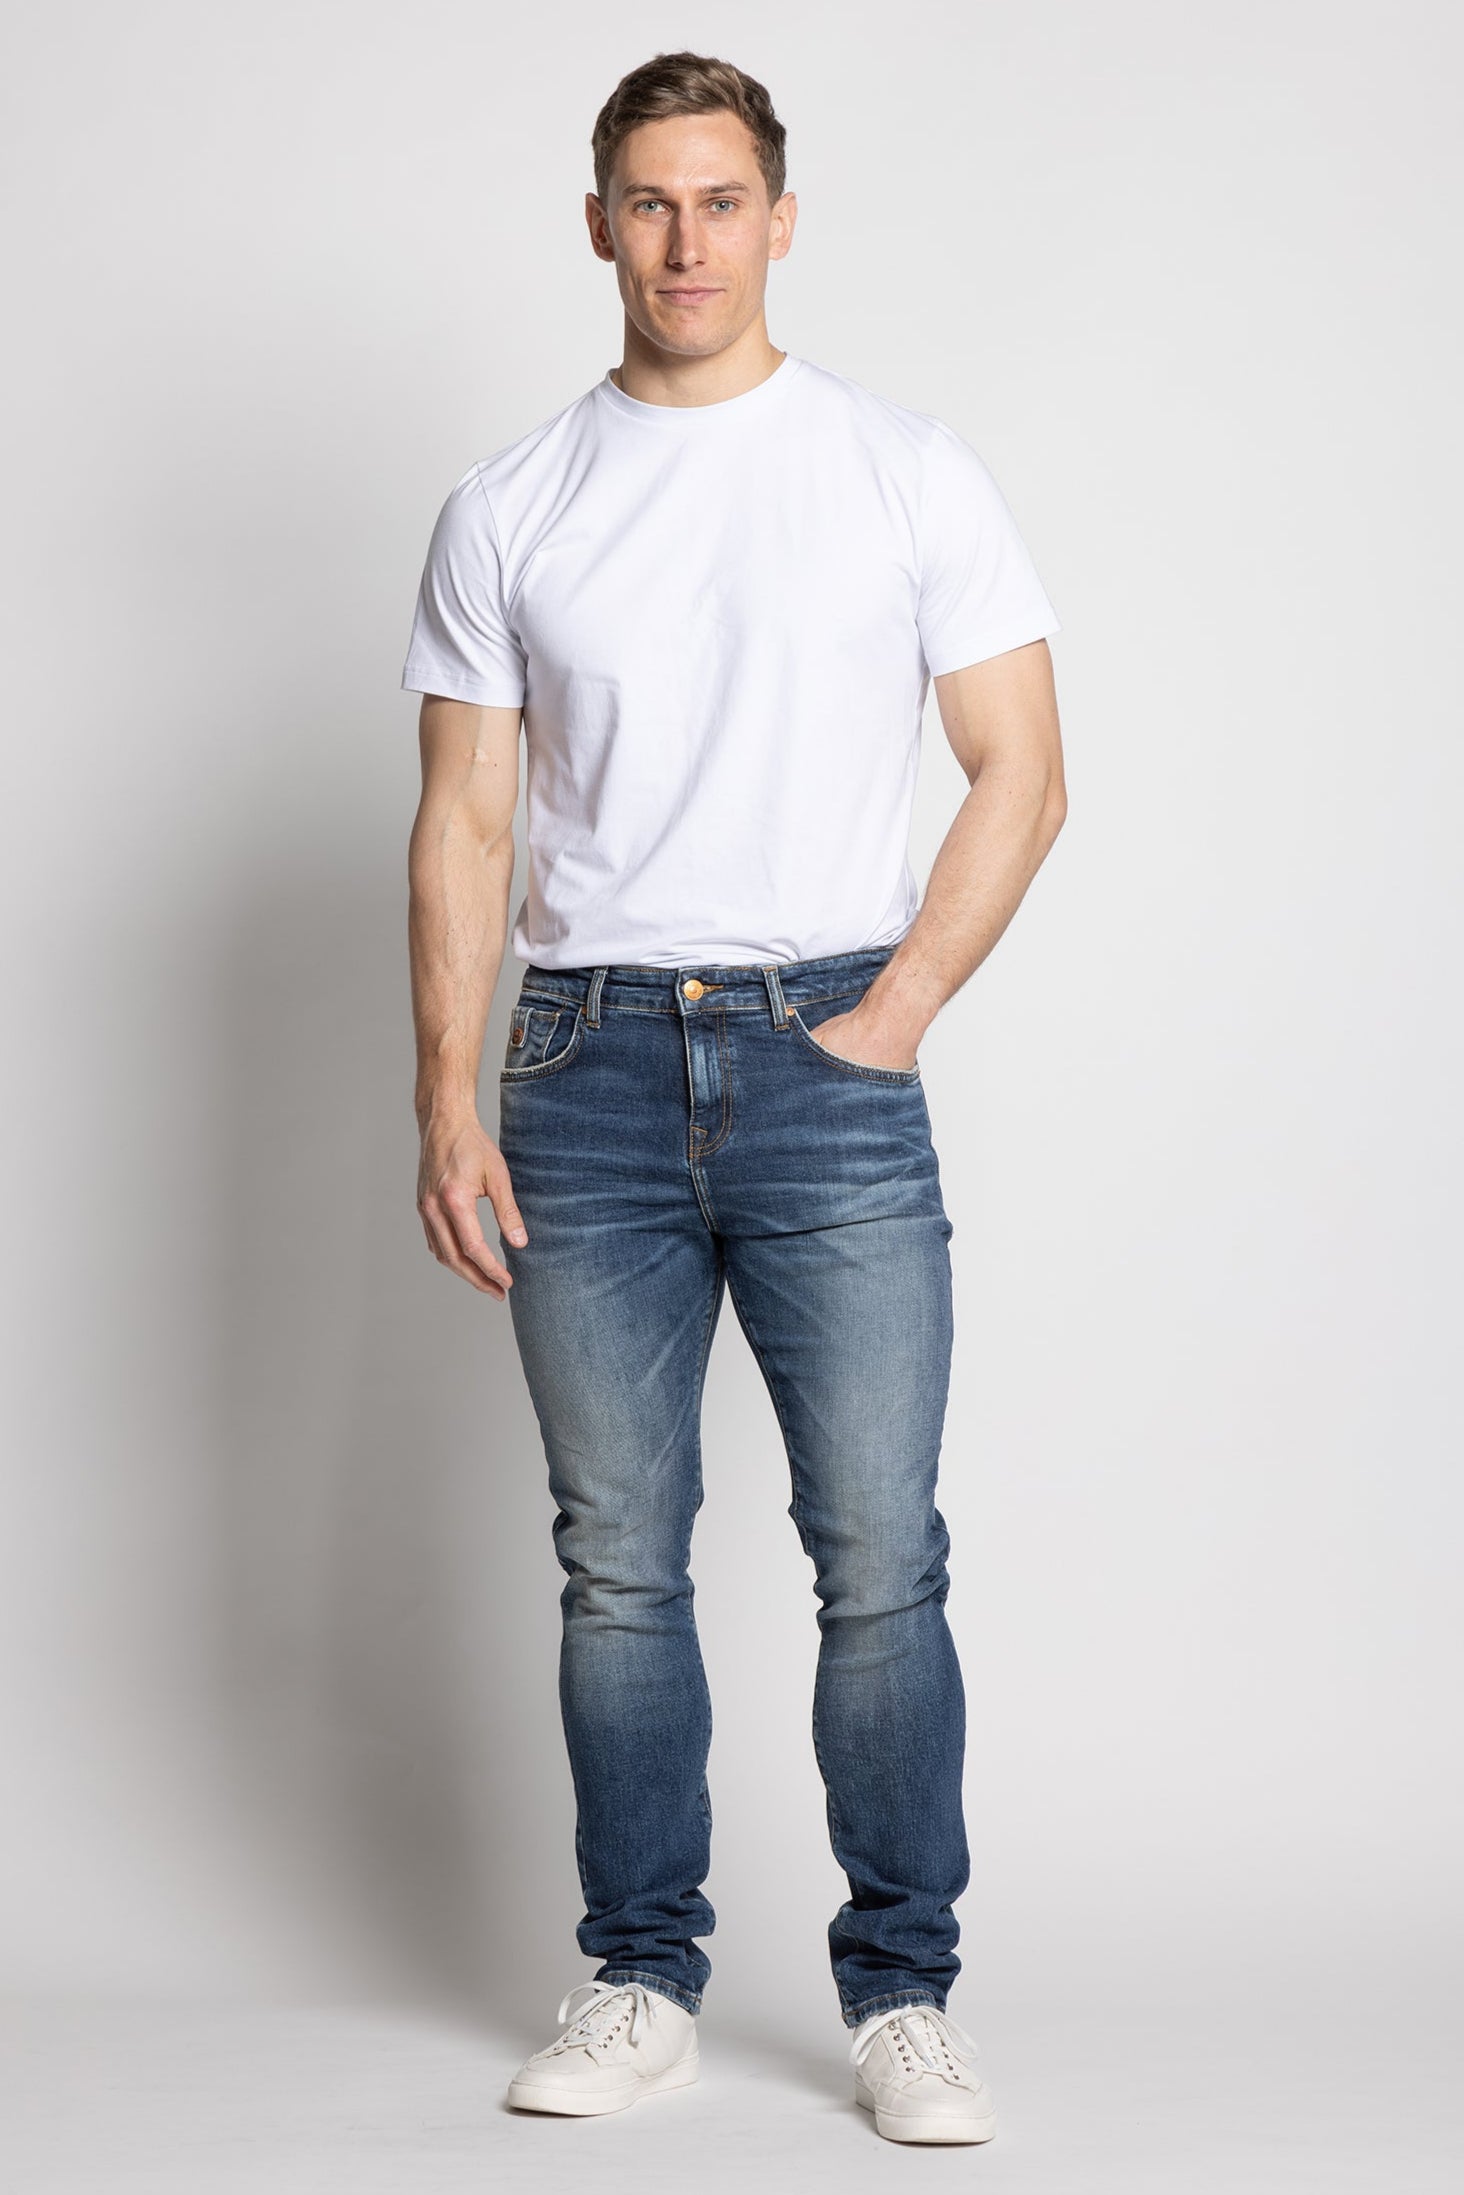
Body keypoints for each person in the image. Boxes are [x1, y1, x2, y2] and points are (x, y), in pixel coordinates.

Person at [400, 49, 1065, 2148]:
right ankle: (635, 1977)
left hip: (824, 1053)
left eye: (722, 199)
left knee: (879, 1551)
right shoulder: (513, 503)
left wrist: (904, 1004)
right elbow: (463, 826)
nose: (685, 240)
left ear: (784, 217)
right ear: (597, 222)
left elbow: (1024, 764)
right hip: (582, 1065)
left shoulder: (898, 468)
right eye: (647, 200)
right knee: (618, 1557)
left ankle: (906, 1995)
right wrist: (446, 1091)